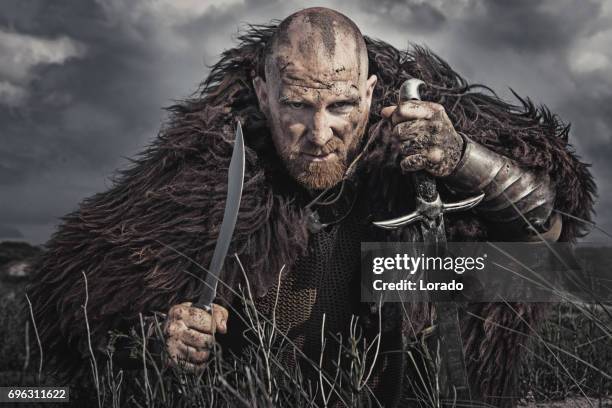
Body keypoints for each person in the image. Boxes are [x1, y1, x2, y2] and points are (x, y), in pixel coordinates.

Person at [28, 7, 595, 407]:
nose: (319, 133)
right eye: (298, 105)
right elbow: (76, 302)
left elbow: (543, 235)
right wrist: (160, 336)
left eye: (341, 105)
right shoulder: (206, 176)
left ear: (371, 93)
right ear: (263, 90)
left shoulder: (419, 150)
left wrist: (461, 159)